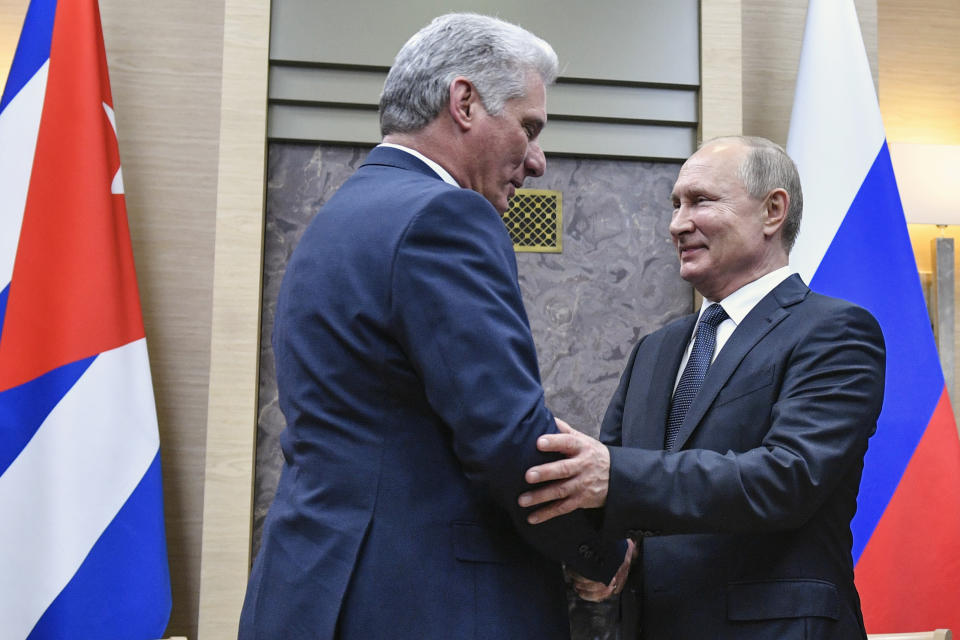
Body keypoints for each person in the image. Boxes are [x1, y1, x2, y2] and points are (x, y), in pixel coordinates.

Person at [238, 13, 628, 640]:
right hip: (421, 602)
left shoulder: (339, 216)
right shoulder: (446, 217)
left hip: (312, 590)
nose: (538, 161)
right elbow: (507, 440)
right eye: (528, 127)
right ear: (465, 102)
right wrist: (600, 554)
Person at [518, 136, 886, 639]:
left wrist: (613, 476)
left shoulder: (834, 331)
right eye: (674, 205)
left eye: (700, 201)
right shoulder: (655, 348)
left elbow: (787, 478)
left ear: (772, 210)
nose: (677, 224)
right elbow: (618, 490)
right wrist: (603, 551)